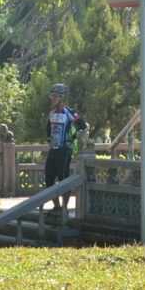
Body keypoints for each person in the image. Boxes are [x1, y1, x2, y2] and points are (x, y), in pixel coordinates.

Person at [44, 84, 87, 213]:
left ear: (62, 98)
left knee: (63, 177)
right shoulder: (51, 113)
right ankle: (56, 206)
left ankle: (64, 207)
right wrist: (49, 140)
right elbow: (48, 130)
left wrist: (73, 137)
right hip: (53, 149)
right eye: (51, 96)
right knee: (48, 178)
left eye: (55, 96)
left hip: (65, 150)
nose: (52, 99)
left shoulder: (70, 112)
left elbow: (83, 126)